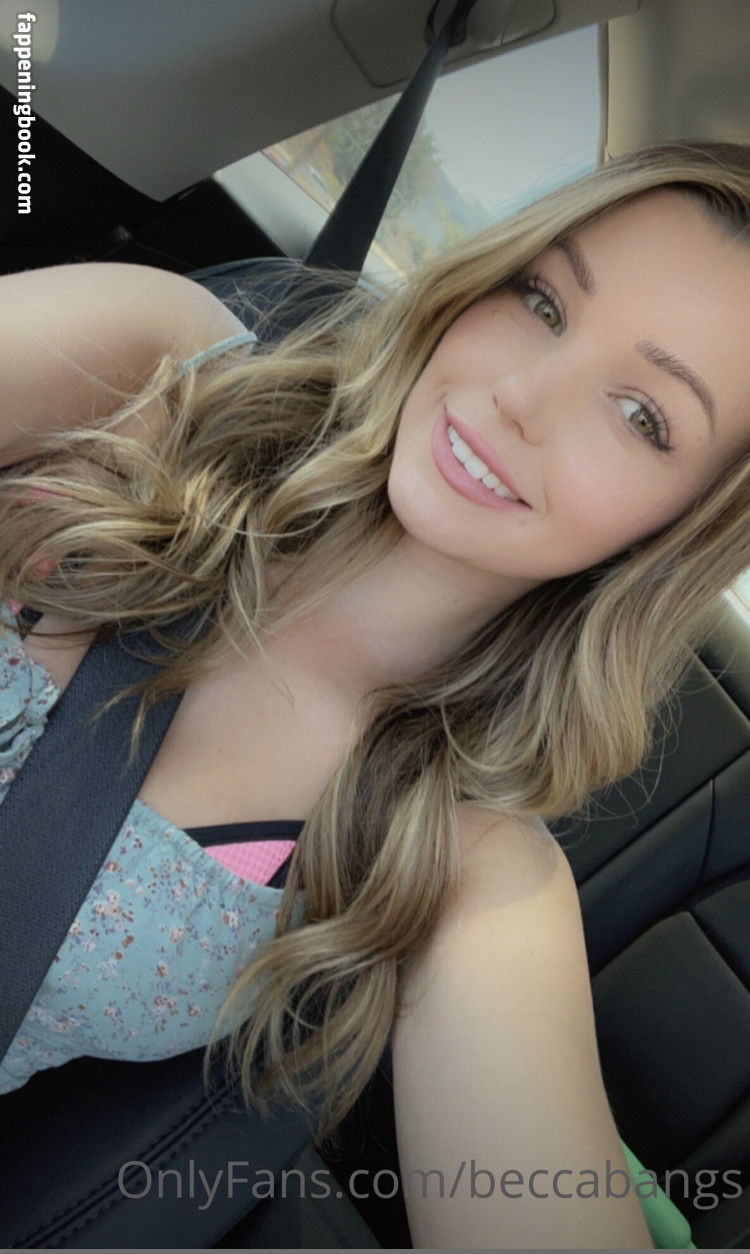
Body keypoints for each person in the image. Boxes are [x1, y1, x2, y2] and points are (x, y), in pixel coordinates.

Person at [0, 139, 748, 1249]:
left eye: (643, 417)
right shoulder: (157, 361)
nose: (518, 395)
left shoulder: (460, 862)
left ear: (682, 526)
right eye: (542, 301)